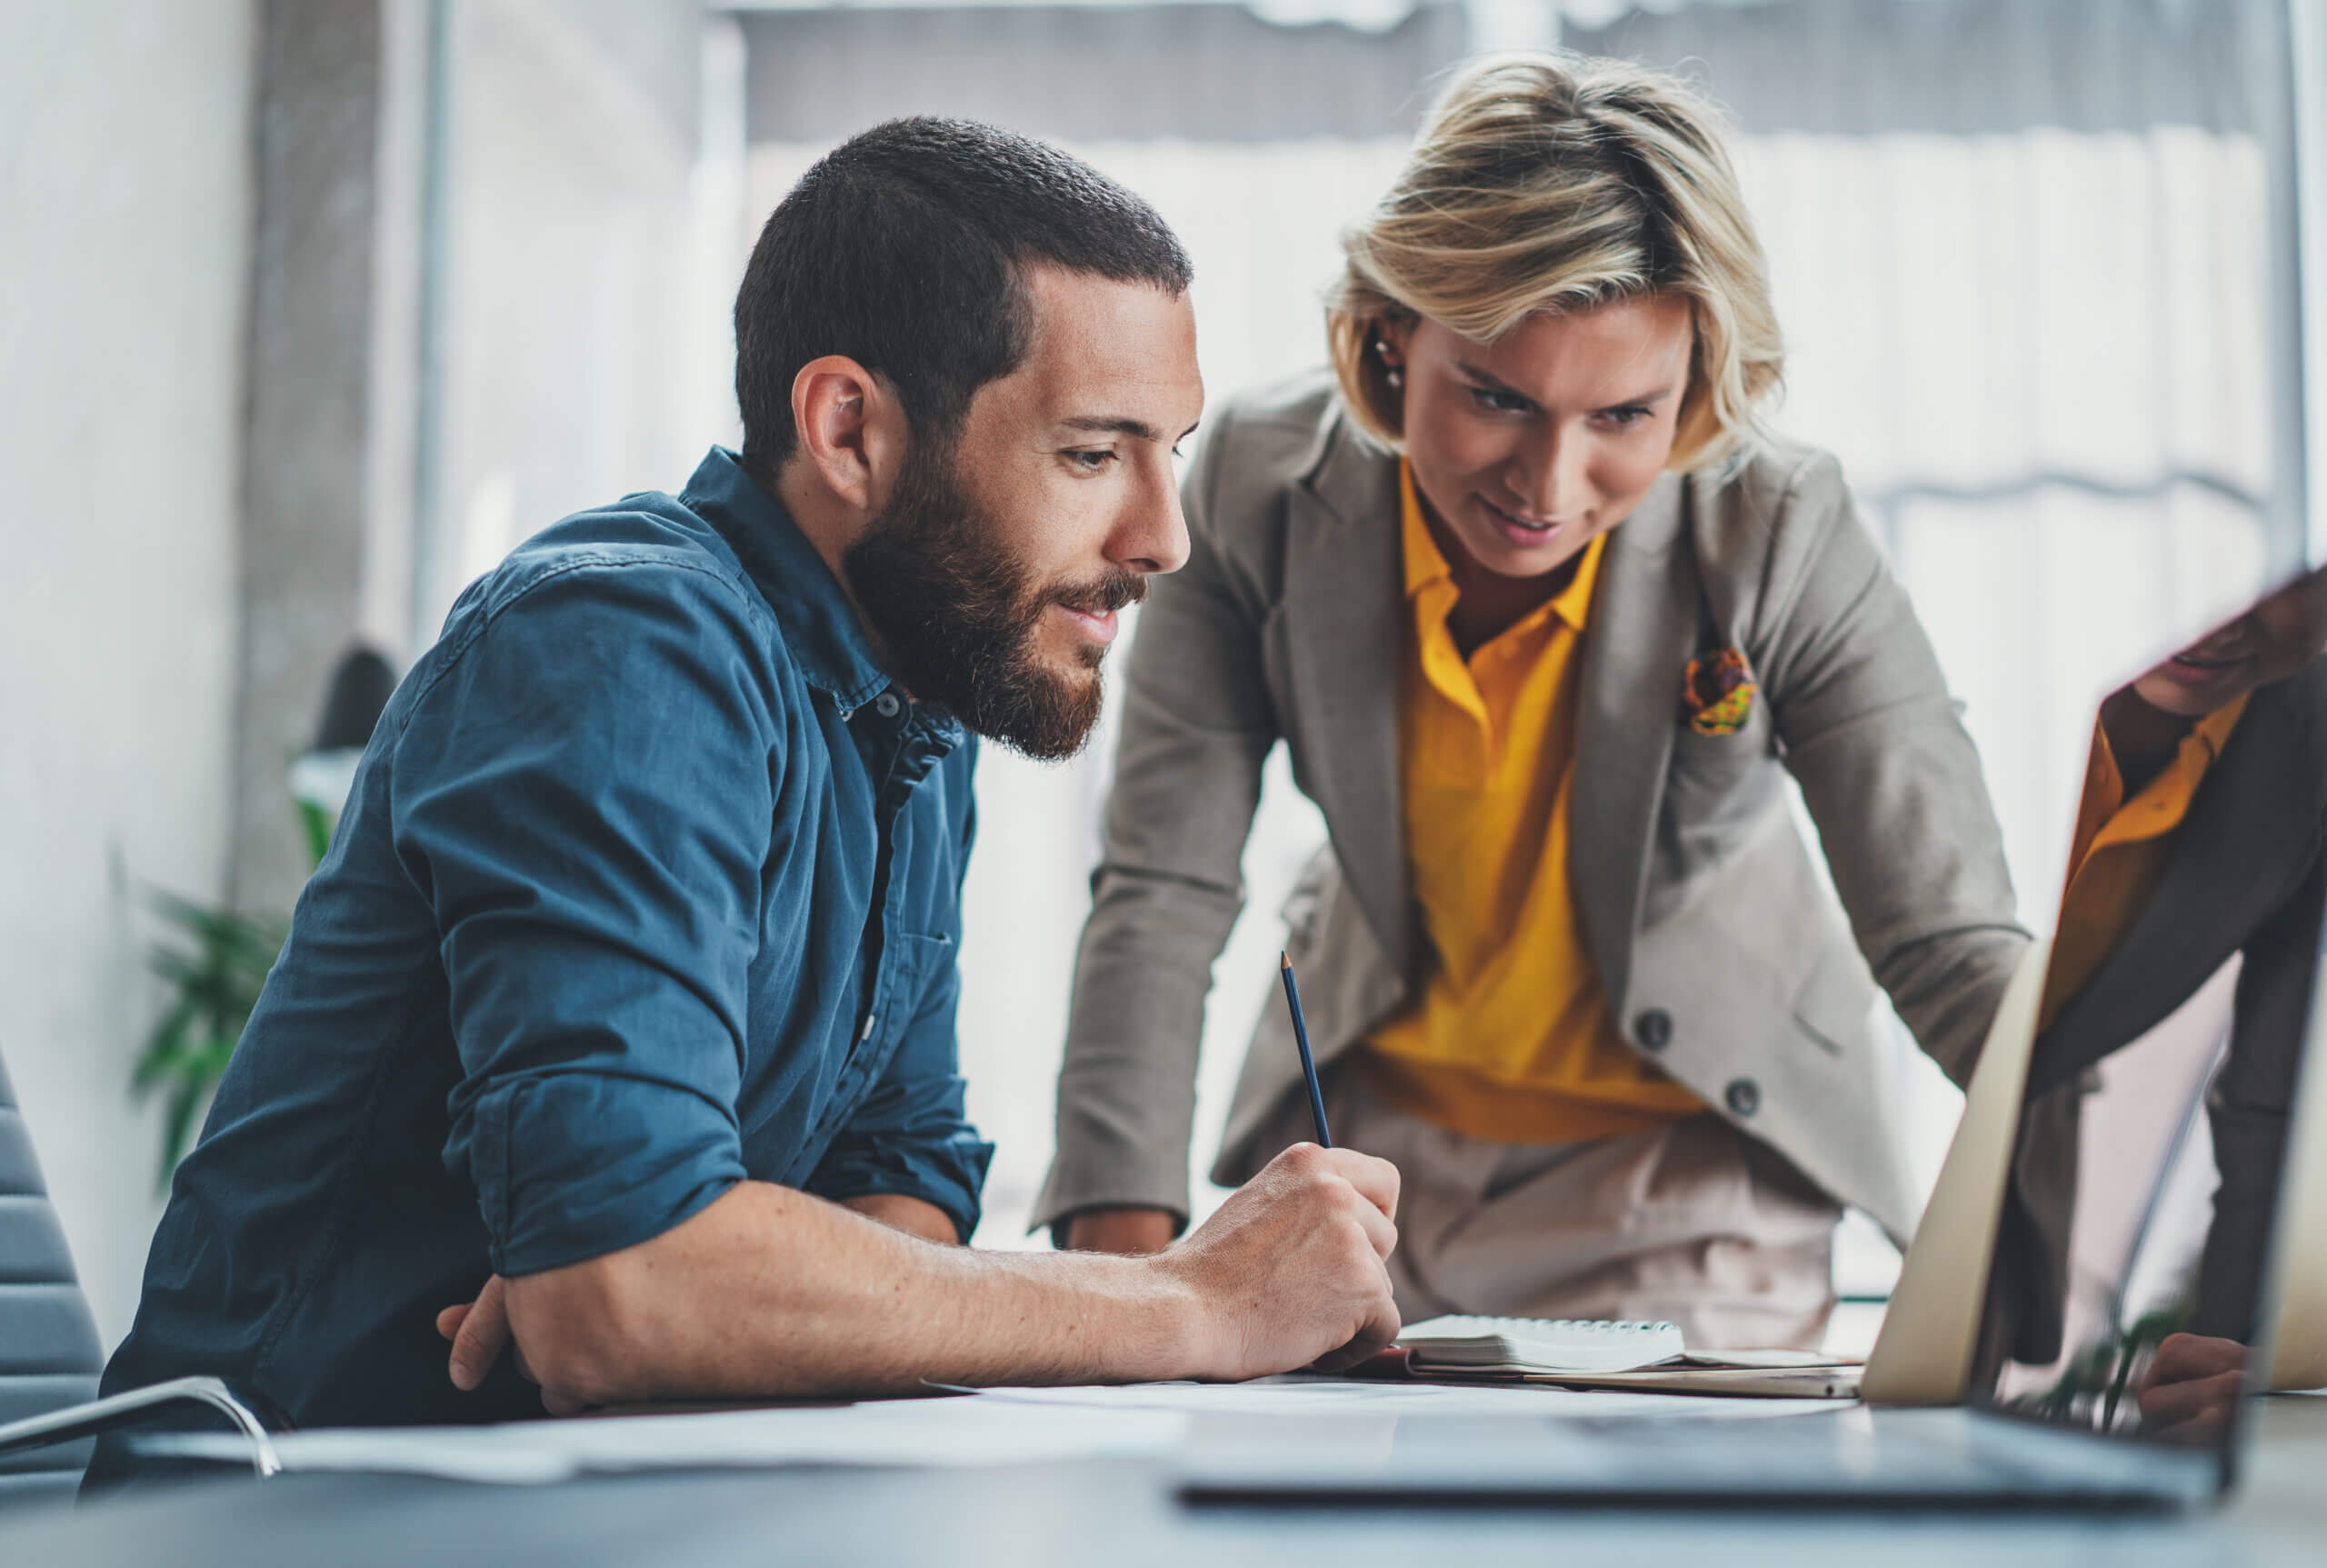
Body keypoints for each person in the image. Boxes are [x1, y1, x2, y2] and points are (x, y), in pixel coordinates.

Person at [95, 118, 1401, 1437]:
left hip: (577, 1496)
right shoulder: (625, 647)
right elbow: (624, 1290)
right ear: (848, 430)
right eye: (1088, 453)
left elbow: (891, 1178)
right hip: (294, 1508)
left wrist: (699, 1290)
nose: (1164, 536)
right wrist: (1188, 1303)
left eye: (1167, 451)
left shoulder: (919, 701)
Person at [1037, 53, 2030, 1349]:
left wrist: (2152, 1243)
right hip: (1366, 1159)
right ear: (1393, 340)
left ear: (1697, 381)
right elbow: (1163, 886)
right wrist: (1125, 1282)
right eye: (1496, 397)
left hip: (1686, 1178)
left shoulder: (1778, 529)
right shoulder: (1253, 493)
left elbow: (1948, 945)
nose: (1548, 484)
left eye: (1624, 413)